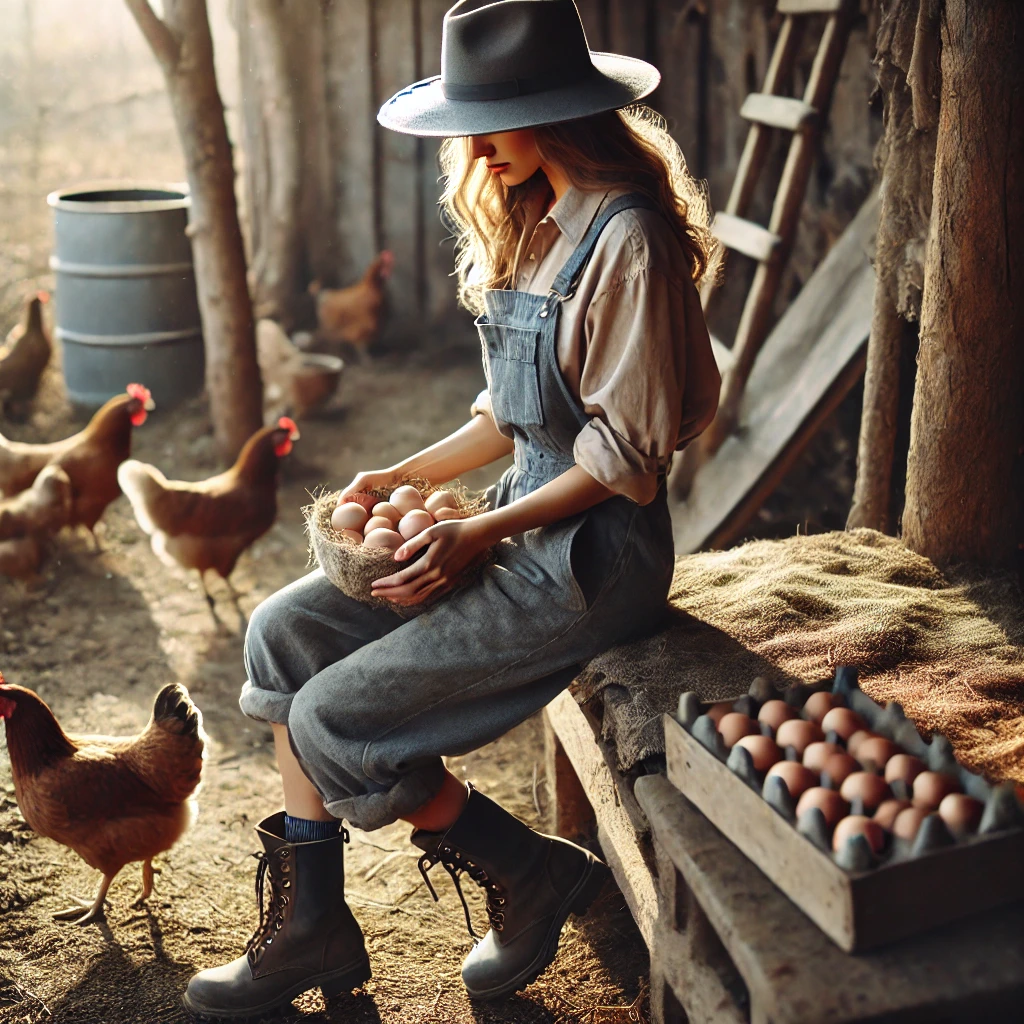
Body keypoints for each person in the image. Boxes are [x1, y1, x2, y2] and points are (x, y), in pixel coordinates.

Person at [182, 0, 721, 1018]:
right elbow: (507, 421)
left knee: (332, 714)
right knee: (282, 630)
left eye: (488, 121)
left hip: (594, 557)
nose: (469, 149)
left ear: (554, 111)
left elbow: (624, 461)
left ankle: (530, 869)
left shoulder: (629, 244)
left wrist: (476, 530)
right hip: (524, 522)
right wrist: (400, 477)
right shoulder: (535, 221)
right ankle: (313, 929)